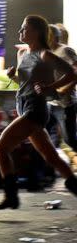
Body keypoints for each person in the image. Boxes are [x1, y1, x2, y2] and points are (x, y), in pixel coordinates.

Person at [0, 15, 77, 210]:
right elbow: (26, 85)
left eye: (24, 28)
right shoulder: (23, 54)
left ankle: (11, 197)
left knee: (0, 149)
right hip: (24, 106)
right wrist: (14, 78)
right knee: (51, 157)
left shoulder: (45, 55)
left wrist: (50, 87)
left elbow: (72, 73)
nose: (20, 32)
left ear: (36, 32)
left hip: (34, 110)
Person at [45, 24, 77, 153]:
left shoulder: (65, 50)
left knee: (69, 140)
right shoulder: (47, 52)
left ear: (53, 37)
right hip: (50, 103)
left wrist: (65, 89)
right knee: (48, 137)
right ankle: (51, 168)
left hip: (65, 104)